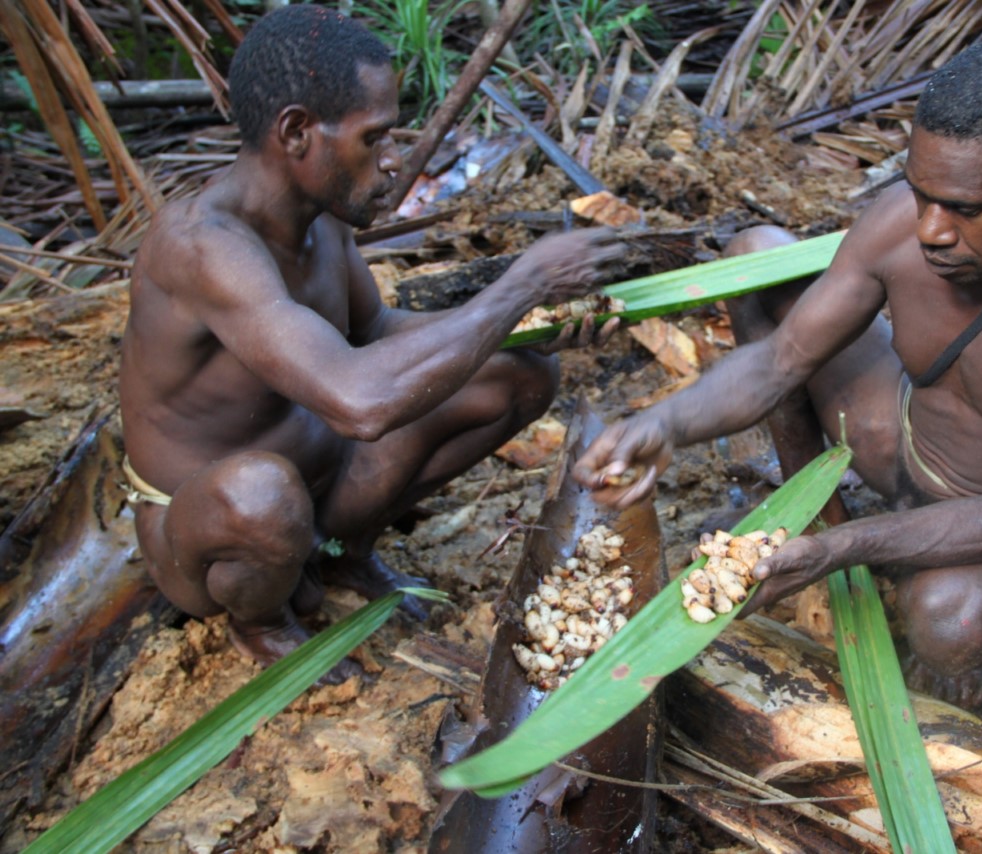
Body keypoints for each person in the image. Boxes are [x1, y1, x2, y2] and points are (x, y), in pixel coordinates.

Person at [574, 40, 982, 708]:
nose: (932, 230)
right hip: (896, 438)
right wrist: (662, 422)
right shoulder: (901, 226)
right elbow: (778, 360)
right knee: (759, 255)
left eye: (965, 209)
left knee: (948, 621)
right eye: (921, 196)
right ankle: (806, 509)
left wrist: (838, 552)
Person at [119, 5, 623, 683]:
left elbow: (377, 335)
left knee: (521, 372)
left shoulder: (319, 221)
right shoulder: (203, 248)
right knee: (263, 495)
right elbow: (360, 402)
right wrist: (520, 284)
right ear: (297, 131)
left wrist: (527, 322)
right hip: (215, 526)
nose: (393, 162)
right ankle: (261, 620)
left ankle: (343, 549)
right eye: (374, 139)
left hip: (322, 480)